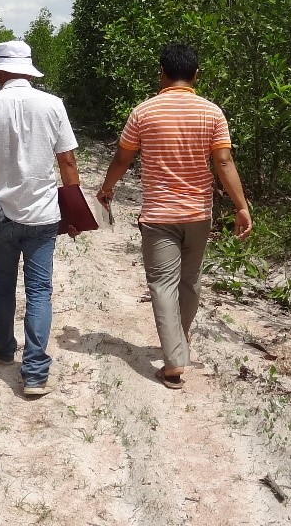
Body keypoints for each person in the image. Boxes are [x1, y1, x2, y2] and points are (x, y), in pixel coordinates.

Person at [96, 43, 251, 389]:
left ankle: (173, 362)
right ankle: (179, 342)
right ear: (196, 75)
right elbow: (224, 162)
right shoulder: (213, 113)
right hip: (199, 213)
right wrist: (241, 206)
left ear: (162, 73)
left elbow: (123, 158)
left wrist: (107, 188)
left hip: (159, 215)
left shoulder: (143, 113)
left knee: (163, 285)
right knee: (191, 281)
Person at [0, 40, 81, 397]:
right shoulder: (53, 106)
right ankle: (36, 372)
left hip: (2, 214)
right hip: (43, 216)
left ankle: (1, 346)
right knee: (39, 290)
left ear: (2, 72)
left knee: (3, 284)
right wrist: (72, 212)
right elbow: (67, 161)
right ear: (27, 70)